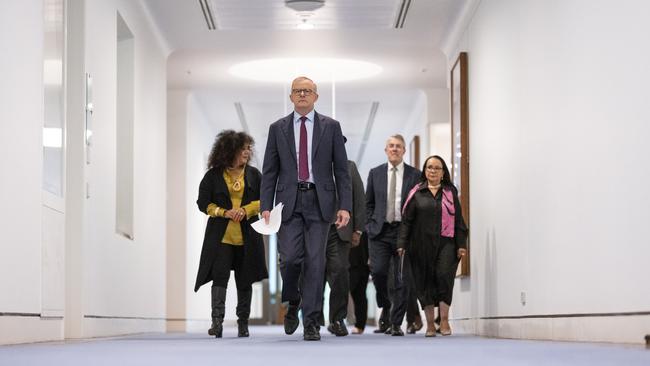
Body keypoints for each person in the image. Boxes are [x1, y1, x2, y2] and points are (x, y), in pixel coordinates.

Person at [260, 76, 352, 341]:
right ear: (290, 97)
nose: (302, 94)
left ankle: (311, 322)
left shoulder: (331, 127)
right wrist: (266, 205)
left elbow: (342, 171)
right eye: (297, 91)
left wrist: (344, 205)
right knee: (289, 259)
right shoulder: (277, 128)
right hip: (288, 202)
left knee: (315, 262)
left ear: (316, 96)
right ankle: (293, 300)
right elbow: (270, 171)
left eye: (307, 91)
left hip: (320, 202)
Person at [194, 130, 269, 338]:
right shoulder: (213, 175)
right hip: (221, 236)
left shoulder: (254, 174)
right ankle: (216, 322)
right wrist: (224, 212)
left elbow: (265, 200)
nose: (247, 152)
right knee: (219, 277)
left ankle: (243, 323)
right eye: (243, 148)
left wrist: (246, 210)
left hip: (247, 235)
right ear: (229, 150)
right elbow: (203, 203)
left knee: (245, 280)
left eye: (248, 148)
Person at [397, 155, 468, 337]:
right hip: (419, 245)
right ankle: (429, 324)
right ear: (425, 170)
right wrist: (402, 244)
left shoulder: (450, 192)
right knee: (424, 281)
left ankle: (443, 320)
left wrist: (461, 244)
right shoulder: (416, 192)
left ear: (443, 172)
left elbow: (459, 220)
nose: (433, 171)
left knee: (444, 276)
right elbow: (407, 222)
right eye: (429, 167)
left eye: (437, 168)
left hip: (447, 243)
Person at [365, 134, 421, 336]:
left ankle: (397, 322)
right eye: (391, 146)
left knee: (402, 279)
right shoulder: (375, 173)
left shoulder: (415, 175)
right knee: (379, 272)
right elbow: (368, 203)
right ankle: (386, 306)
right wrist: (370, 225)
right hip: (380, 232)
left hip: (403, 232)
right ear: (386, 150)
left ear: (404, 150)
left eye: (398, 146)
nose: (394, 149)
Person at [322, 156, 366, 337]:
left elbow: (359, 198)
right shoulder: (311, 163)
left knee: (340, 271)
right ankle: (313, 319)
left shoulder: (349, 166)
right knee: (314, 274)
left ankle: (337, 319)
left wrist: (358, 229)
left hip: (341, 229)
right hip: (315, 227)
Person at [348, 232, 370, 334]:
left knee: (359, 291)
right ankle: (337, 320)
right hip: (346, 248)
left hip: (362, 252)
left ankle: (360, 324)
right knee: (343, 289)